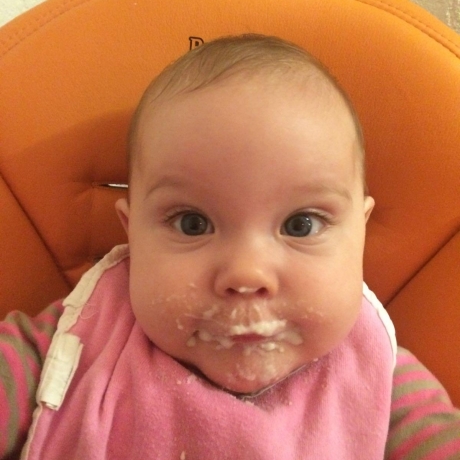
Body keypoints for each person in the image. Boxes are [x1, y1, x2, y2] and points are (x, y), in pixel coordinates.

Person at [1, 34, 459, 459]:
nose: (246, 273)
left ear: (359, 232)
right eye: (192, 223)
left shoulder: (381, 375)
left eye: (300, 225)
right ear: (132, 233)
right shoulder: (78, 334)